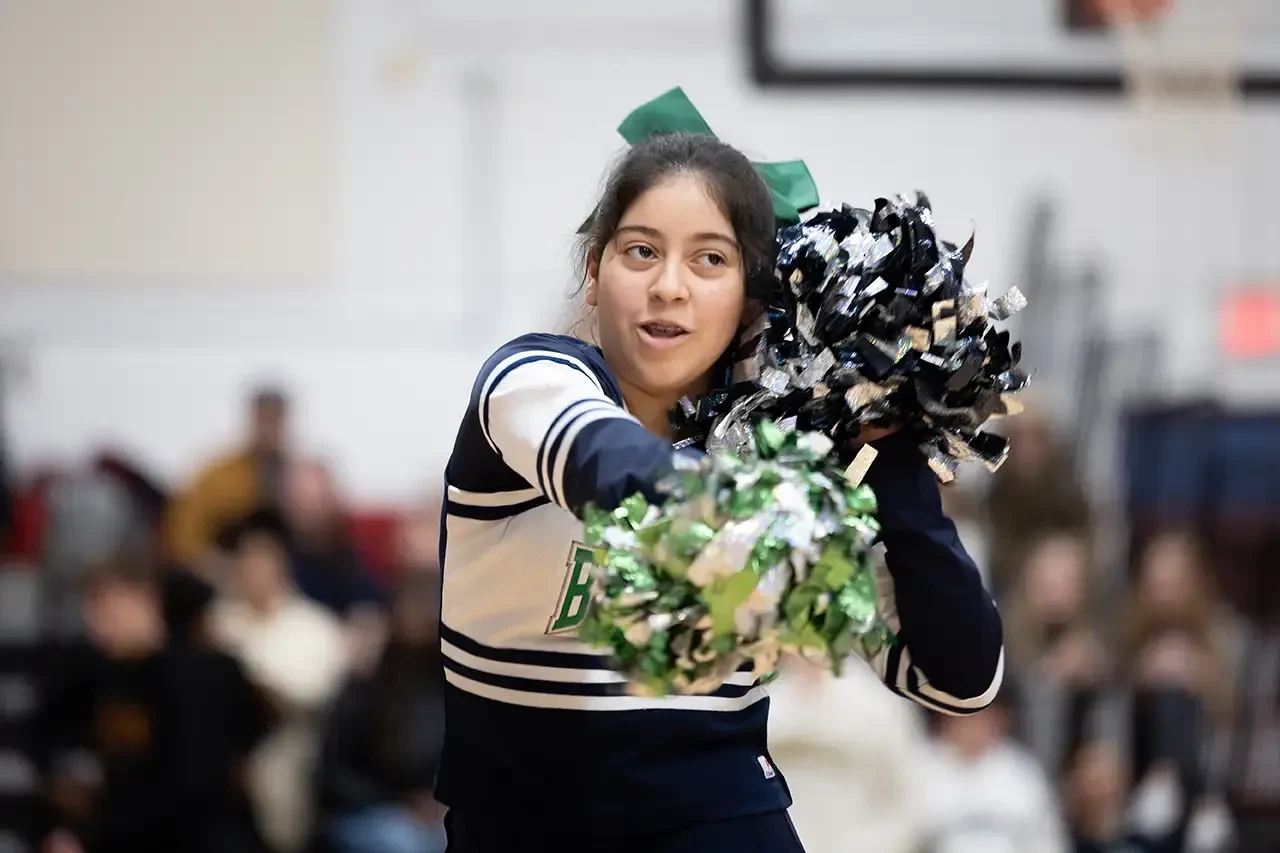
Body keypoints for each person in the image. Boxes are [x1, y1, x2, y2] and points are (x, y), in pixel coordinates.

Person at [435, 129, 1004, 852]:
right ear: (592, 272)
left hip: (722, 819)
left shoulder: (782, 455)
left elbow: (961, 677)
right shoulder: (531, 381)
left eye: (710, 259)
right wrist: (741, 512)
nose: (668, 285)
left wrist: (893, 457)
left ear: (750, 297)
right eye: (641, 251)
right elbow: (604, 464)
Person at [35, 559, 269, 853]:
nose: (94, 622)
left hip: (193, 836)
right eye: (91, 609)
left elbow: (195, 787)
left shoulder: (202, 675)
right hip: (118, 831)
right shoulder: (88, 673)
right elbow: (50, 741)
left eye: (107, 609)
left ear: (148, 603)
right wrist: (67, 827)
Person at [210, 510, 349, 853]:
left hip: (290, 739)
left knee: (278, 770)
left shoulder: (314, 626)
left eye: (263, 559)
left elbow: (315, 697)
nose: (253, 568)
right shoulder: (216, 621)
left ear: (282, 565)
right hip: (221, 741)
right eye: (245, 559)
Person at [164, 387, 290, 572]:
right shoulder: (219, 475)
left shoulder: (300, 476)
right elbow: (184, 537)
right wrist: (221, 569)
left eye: (275, 419)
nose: (269, 428)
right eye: (264, 418)